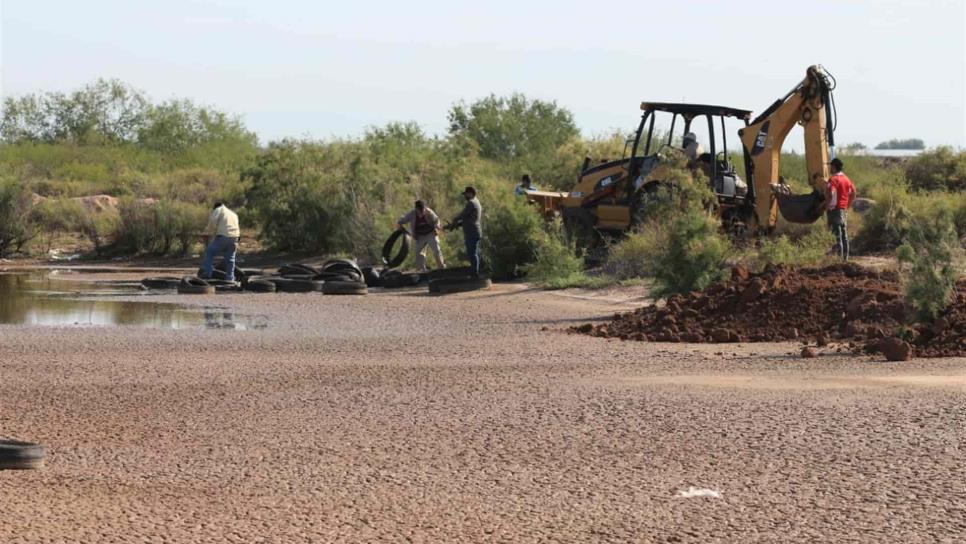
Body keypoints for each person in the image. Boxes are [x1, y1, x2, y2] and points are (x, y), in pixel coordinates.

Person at [397, 200, 445, 272]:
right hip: (420, 236)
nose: (422, 211)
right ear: (416, 209)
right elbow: (402, 220)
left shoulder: (429, 212)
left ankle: (441, 268)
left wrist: (437, 226)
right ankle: (422, 270)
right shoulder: (412, 214)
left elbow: (436, 220)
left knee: (436, 250)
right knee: (419, 253)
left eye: (423, 209)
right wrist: (400, 225)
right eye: (420, 210)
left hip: (430, 233)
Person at [446, 186, 483, 277]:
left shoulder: (471, 203)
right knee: (473, 253)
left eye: (466, 194)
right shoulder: (476, 202)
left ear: (470, 193)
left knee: (472, 254)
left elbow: (462, 215)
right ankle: (475, 272)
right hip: (474, 231)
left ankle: (475, 274)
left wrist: (454, 222)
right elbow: (469, 218)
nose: (465, 196)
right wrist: (457, 225)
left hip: (472, 232)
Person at [200, 201, 240, 281]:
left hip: (224, 237)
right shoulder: (233, 214)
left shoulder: (219, 209)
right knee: (230, 259)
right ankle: (230, 278)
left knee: (209, 252)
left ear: (215, 207)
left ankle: (208, 274)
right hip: (235, 237)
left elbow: (213, 220)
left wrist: (207, 232)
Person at [826, 157, 856, 261]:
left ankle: (838, 262)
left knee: (837, 237)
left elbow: (830, 193)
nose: (830, 168)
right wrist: (847, 206)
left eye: (830, 166)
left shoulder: (833, 179)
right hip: (843, 210)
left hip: (834, 211)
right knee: (844, 237)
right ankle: (845, 260)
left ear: (834, 167)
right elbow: (853, 193)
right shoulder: (847, 179)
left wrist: (826, 207)